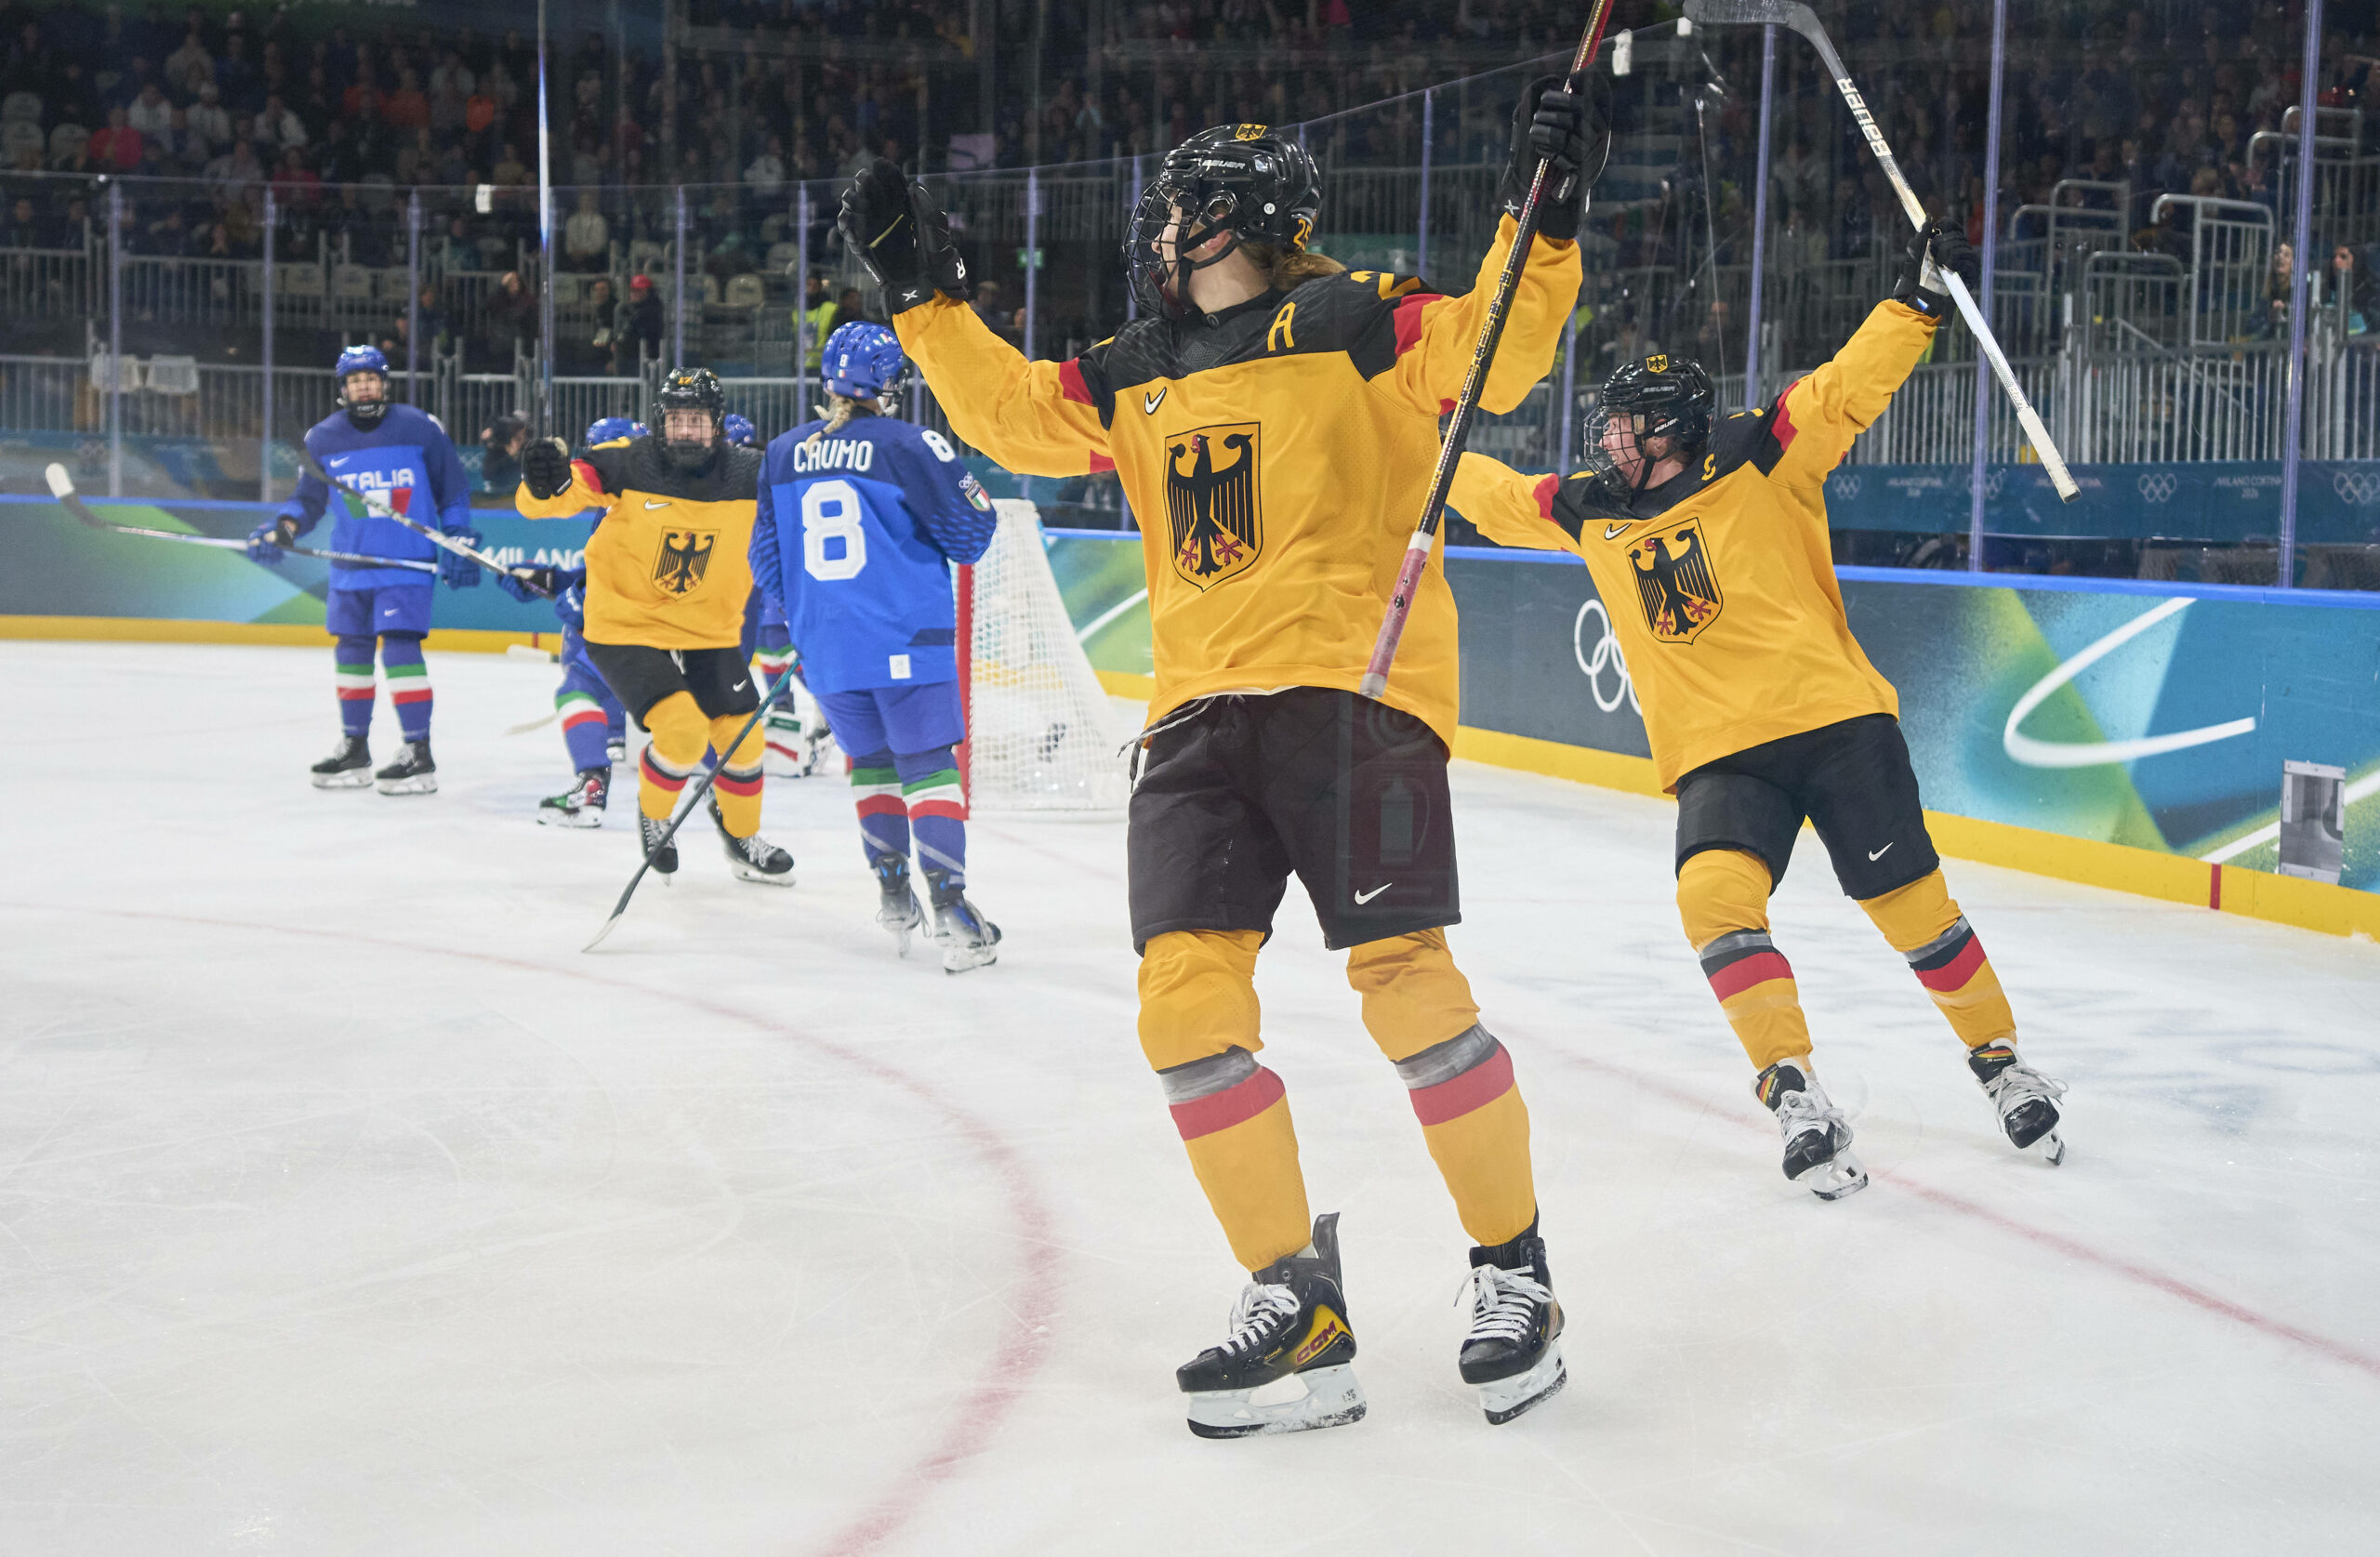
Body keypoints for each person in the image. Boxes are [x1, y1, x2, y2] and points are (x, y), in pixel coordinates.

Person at [845, 79, 1604, 1433]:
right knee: (1183, 1010)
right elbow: (1013, 416)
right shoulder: (1135, 365)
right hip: (1196, 721)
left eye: (1188, 208)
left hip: (1353, 696)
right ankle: (1294, 1299)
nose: (1166, 230)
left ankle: (1517, 1272)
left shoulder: (1363, 320)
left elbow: (1500, 346)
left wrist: (1542, 220)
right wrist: (921, 292)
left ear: (1249, 214)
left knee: (1405, 983)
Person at [1449, 220, 2069, 1202]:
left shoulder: (1760, 453)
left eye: (1625, 426)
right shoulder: (1587, 508)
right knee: (1713, 902)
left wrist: (1913, 302)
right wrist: (1420, 449)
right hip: (1721, 756)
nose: (1607, 440)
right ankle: (1794, 1091)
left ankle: (2001, 1064)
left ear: (1672, 430)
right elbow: (1493, 497)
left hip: (1832, 721)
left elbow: (1844, 387)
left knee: (1913, 914)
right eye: (1606, 427)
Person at [750, 322, 1000, 970]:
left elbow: (767, 562)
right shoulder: (910, 444)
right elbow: (972, 535)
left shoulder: (781, 452)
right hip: (907, 639)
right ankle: (951, 910)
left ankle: (894, 897)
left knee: (874, 765)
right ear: (891, 384)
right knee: (926, 765)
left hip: (828, 653)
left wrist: (817, 622)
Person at [512, 368, 794, 884]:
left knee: (744, 742)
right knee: (683, 734)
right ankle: (655, 816)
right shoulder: (624, 461)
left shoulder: (753, 473)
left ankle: (741, 838)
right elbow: (549, 502)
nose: (686, 431)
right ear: (660, 423)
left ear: (717, 425)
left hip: (708, 632)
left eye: (698, 420)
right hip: (624, 627)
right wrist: (541, 482)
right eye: (677, 420)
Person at [245, 345, 482, 795]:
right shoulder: (322, 439)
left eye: (372, 378)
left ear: (385, 382)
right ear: (344, 388)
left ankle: (418, 753)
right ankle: (355, 747)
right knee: (351, 653)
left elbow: (453, 491)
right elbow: (308, 501)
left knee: (399, 649)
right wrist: (284, 527)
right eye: (355, 380)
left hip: (405, 563)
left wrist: (458, 535)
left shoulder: (419, 427)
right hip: (351, 567)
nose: (364, 386)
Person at [496, 415, 641, 825]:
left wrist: (566, 596)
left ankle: (594, 781)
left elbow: (615, 594)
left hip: (647, 628)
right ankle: (618, 737)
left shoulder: (628, 502)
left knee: (579, 684)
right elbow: (601, 576)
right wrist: (554, 580)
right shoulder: (633, 501)